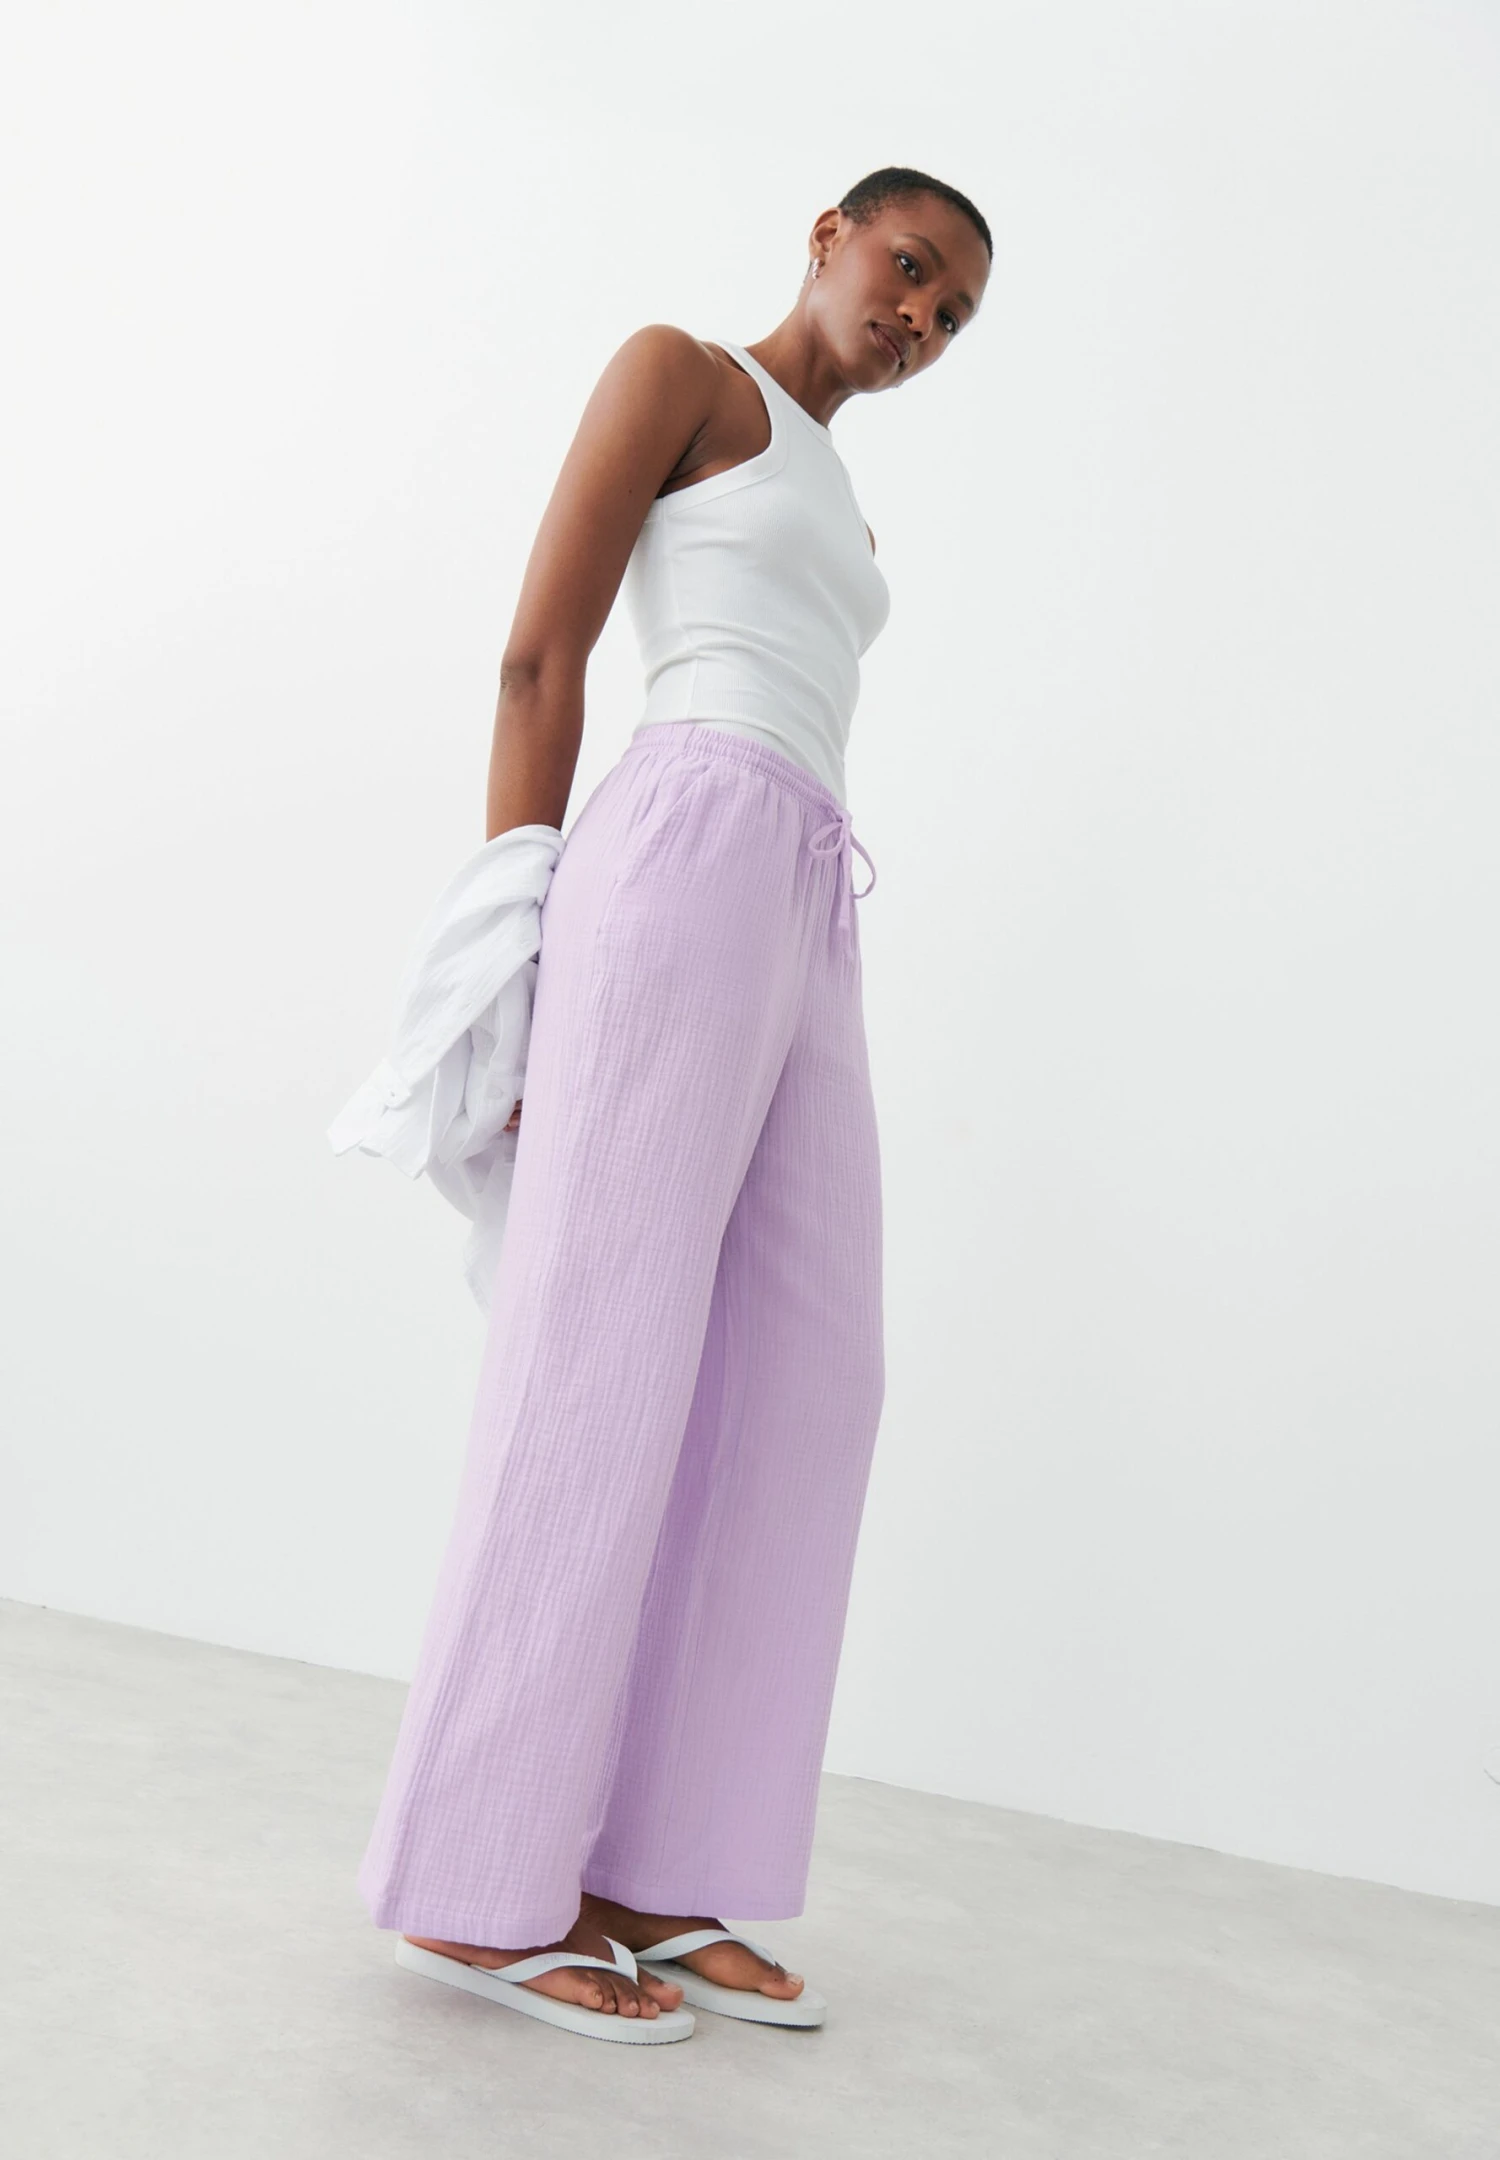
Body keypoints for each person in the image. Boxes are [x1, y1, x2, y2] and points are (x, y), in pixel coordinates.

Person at [356, 165, 992, 2045]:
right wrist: (512, 960)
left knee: (810, 1377)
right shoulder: (686, 375)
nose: (920, 318)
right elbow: (537, 658)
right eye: (910, 269)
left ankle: (652, 1862)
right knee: (598, 1359)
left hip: (808, 890)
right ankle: (476, 1885)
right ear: (829, 236)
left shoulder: (844, 495)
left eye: (953, 313)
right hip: (683, 846)